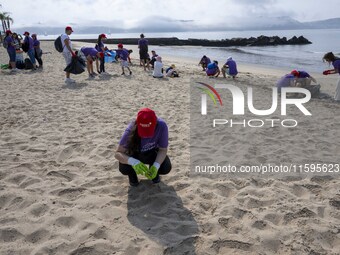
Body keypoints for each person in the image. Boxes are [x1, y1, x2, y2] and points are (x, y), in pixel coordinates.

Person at [115, 108, 172, 186]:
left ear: (155, 123)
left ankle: (154, 173)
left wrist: (156, 166)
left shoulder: (162, 126)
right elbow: (118, 153)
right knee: (124, 168)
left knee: (166, 167)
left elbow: (163, 149)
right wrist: (133, 162)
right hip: (135, 154)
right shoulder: (131, 128)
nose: (146, 136)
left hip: (151, 153)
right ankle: (132, 176)